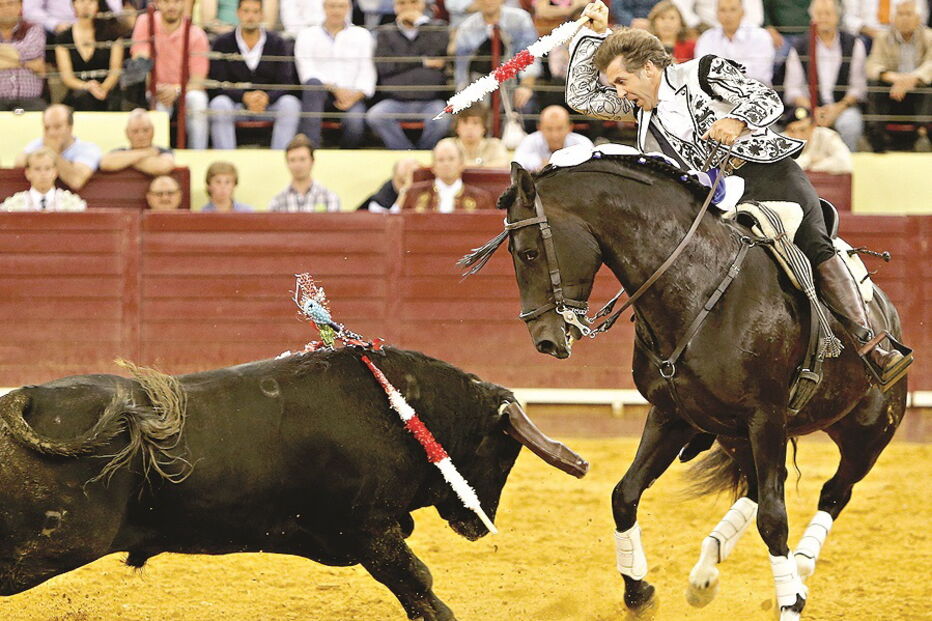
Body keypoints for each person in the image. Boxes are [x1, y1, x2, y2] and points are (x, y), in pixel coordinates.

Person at [566, 0, 907, 380]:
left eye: (621, 82)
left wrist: (737, 120)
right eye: (614, 85)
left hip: (764, 174)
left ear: (648, 68)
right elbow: (580, 98)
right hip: (710, 199)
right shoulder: (640, 107)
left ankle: (872, 344)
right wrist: (594, 34)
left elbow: (766, 98)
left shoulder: (703, 71)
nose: (618, 92)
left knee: (814, 243)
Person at [207, 0, 301, 150]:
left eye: (255, 12)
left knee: (290, 104)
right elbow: (218, 83)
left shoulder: (277, 43)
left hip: (268, 105)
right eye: (246, 11)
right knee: (219, 104)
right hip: (236, 104)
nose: (250, 16)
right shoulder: (223, 42)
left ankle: (280, 158)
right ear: (238, 13)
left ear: (262, 15)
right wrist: (244, 97)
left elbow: (286, 82)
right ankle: (225, 159)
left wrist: (267, 97)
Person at [366, 0, 451, 150]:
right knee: (375, 116)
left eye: (414, 2)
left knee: (442, 120)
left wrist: (421, 23)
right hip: (395, 101)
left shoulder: (438, 28)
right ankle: (405, 152)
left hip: (430, 101)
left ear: (423, 4)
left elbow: (438, 52)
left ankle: (424, 153)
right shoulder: (385, 32)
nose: (408, 7)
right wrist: (422, 61)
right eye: (402, 3)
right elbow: (384, 66)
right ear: (395, 7)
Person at [783, 0, 867, 152]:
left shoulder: (854, 44)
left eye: (828, 14)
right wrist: (813, 109)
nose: (823, 18)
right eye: (819, 14)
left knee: (850, 125)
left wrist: (838, 108)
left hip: (843, 107)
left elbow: (858, 88)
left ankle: (846, 165)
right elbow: (792, 90)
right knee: (797, 126)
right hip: (808, 108)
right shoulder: (801, 46)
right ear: (812, 17)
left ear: (837, 16)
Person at [294, 0, 375, 149]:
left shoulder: (362, 35)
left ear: (348, 8)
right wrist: (335, 89)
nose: (336, 11)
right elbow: (306, 71)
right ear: (324, 7)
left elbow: (367, 72)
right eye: (332, 6)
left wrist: (353, 96)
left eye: (341, 6)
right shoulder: (307, 34)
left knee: (355, 124)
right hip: (320, 94)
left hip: (352, 96)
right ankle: (311, 149)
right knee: (313, 85)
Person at [130, 0, 209, 149]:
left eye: (176, 1)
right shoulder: (145, 21)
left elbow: (198, 80)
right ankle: (159, 155)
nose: (172, 6)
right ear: (157, 3)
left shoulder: (197, 34)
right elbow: (140, 61)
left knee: (198, 100)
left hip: (184, 90)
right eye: (166, 1)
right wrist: (156, 88)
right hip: (155, 89)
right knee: (160, 105)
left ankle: (198, 154)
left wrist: (176, 90)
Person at [455, 0, 540, 121]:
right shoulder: (466, 28)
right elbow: (462, 70)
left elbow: (530, 57)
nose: (488, 1)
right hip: (480, 87)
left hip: (515, 83)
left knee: (526, 107)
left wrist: (525, 86)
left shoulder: (520, 19)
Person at [864, 0, 931, 152]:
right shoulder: (882, 37)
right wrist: (896, 78)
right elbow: (872, 65)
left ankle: (922, 133)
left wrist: (911, 79)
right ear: (893, 18)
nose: (904, 18)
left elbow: (930, 64)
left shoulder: (929, 37)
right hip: (892, 90)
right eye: (900, 14)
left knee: (929, 85)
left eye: (909, 14)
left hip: (918, 89)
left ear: (918, 19)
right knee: (875, 85)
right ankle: (876, 137)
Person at [54, 0, 123, 111]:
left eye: (91, 1)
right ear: (74, 4)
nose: (86, 5)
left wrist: (102, 88)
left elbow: (115, 71)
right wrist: (87, 86)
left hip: (107, 93)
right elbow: (67, 78)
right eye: (81, 1)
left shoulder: (113, 35)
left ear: (98, 5)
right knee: (83, 98)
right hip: (78, 93)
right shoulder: (63, 38)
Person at [15, 104, 101, 190]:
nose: (51, 133)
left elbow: (76, 181)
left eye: (57, 127)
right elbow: (19, 163)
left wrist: (52, 152)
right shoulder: (39, 143)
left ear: (70, 128)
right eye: (47, 128)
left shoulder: (88, 149)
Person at [399, 139, 495, 212]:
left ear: (461, 164)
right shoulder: (415, 194)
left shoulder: (480, 198)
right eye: (441, 160)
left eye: (451, 159)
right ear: (433, 167)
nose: (446, 164)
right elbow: (398, 222)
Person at [694, 0, 774, 84]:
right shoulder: (706, 38)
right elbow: (702, 71)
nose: (728, 15)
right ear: (716, 14)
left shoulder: (760, 36)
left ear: (742, 12)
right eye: (722, 10)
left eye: (733, 9)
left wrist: (719, 70)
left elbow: (758, 72)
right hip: (716, 90)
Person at [268, 133, 340, 212]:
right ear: (287, 163)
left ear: (312, 161)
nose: (297, 165)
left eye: (302, 159)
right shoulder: (277, 202)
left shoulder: (329, 199)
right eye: (292, 160)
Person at [1, 147, 87, 211]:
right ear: (28, 173)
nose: (43, 174)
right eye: (37, 169)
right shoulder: (14, 205)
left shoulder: (72, 204)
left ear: (55, 172)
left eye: (47, 168)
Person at [513, 105, 594, 172]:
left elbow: (592, 167)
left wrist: (549, 165)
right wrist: (538, 164)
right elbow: (517, 165)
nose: (555, 135)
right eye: (549, 129)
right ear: (539, 128)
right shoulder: (529, 141)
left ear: (570, 127)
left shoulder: (582, 143)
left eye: (560, 128)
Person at [99, 108, 175, 175]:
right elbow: (105, 163)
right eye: (135, 131)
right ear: (127, 133)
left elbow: (162, 167)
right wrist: (146, 153)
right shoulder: (120, 151)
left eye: (146, 130)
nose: (141, 135)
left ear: (153, 131)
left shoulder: (163, 151)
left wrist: (124, 161)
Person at [0, 0, 46, 111]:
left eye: (10, 3)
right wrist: (27, 64)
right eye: (0, 5)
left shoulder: (33, 29)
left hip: (30, 101)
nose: (5, 9)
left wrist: (4, 60)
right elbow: (23, 53)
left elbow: (29, 51)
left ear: (20, 5)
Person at [782, 106, 853, 173]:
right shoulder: (780, 140)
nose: (797, 136)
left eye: (802, 130)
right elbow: (782, 169)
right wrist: (809, 160)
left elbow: (845, 163)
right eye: (792, 131)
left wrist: (813, 166)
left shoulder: (826, 136)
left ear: (813, 127)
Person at [842, 0, 928, 41]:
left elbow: (921, 17)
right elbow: (848, 18)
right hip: (868, 35)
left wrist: (902, 32)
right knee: (858, 43)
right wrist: (872, 32)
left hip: (904, 34)